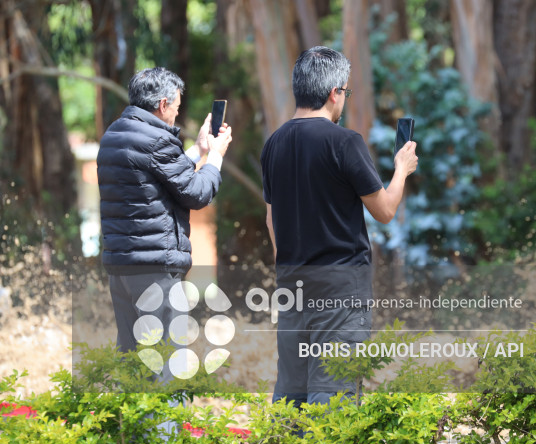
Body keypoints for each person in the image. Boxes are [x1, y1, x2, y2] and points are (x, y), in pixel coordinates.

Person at [261, 46, 418, 406]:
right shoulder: (345, 142)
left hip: (292, 286)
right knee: (332, 399)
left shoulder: (274, 144)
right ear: (334, 93)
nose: (344, 99)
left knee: (292, 397)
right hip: (340, 290)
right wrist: (402, 169)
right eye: (345, 92)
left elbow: (272, 219)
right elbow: (385, 210)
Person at [97, 67, 232, 364]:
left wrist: (197, 150)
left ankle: (129, 413)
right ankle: (167, 414)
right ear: (162, 104)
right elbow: (196, 193)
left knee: (133, 363)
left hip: (122, 268)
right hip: (155, 270)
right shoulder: (158, 139)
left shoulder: (115, 134)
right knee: (167, 364)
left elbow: (156, 175)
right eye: (176, 108)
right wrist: (216, 157)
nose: (176, 115)